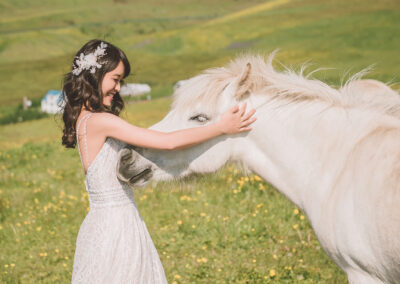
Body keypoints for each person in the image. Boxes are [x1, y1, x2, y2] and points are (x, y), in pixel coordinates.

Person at [61, 39, 256, 283]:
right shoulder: (101, 121)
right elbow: (168, 142)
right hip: (117, 226)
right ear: (95, 75)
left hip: (105, 223)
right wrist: (220, 128)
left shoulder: (85, 119)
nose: (119, 88)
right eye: (115, 78)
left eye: (121, 81)